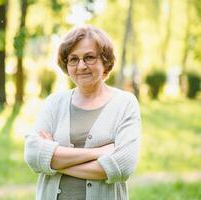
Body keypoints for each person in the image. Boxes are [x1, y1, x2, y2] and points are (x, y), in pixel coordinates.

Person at [24, 24, 141, 200]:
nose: (81, 66)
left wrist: (53, 161)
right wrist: (99, 153)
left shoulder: (125, 103)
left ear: (105, 62)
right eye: (73, 59)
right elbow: (33, 155)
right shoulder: (53, 103)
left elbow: (122, 166)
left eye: (89, 57)